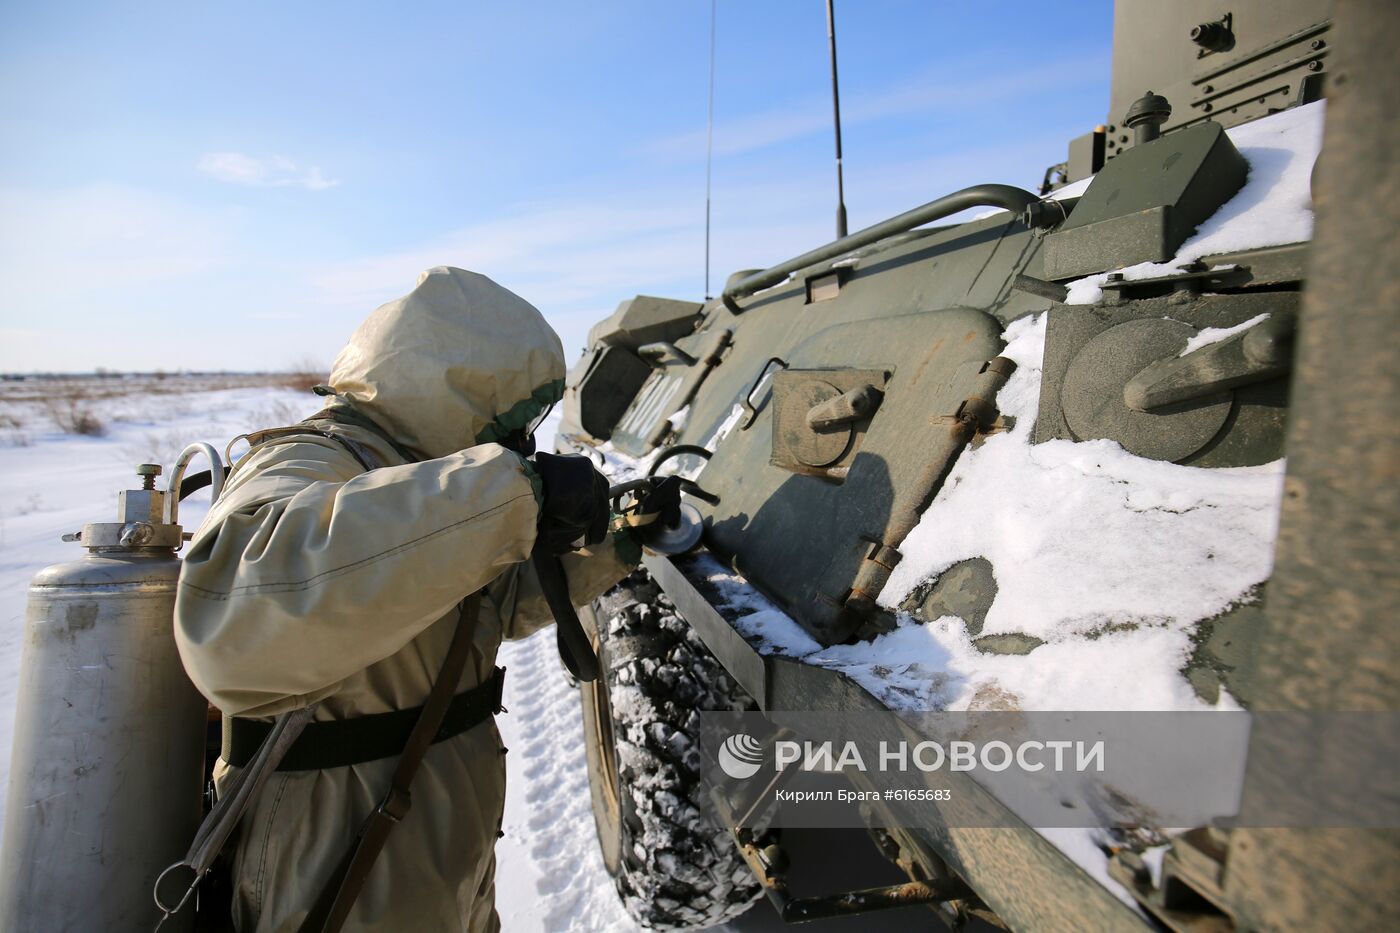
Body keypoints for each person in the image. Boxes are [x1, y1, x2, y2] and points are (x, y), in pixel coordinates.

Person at [175, 266, 646, 932]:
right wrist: (512, 494)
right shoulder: (311, 462)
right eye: (509, 417)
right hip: (336, 871)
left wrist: (617, 544)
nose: (519, 441)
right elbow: (231, 628)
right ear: (455, 388)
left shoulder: (419, 476)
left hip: (437, 859)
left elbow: (484, 609)